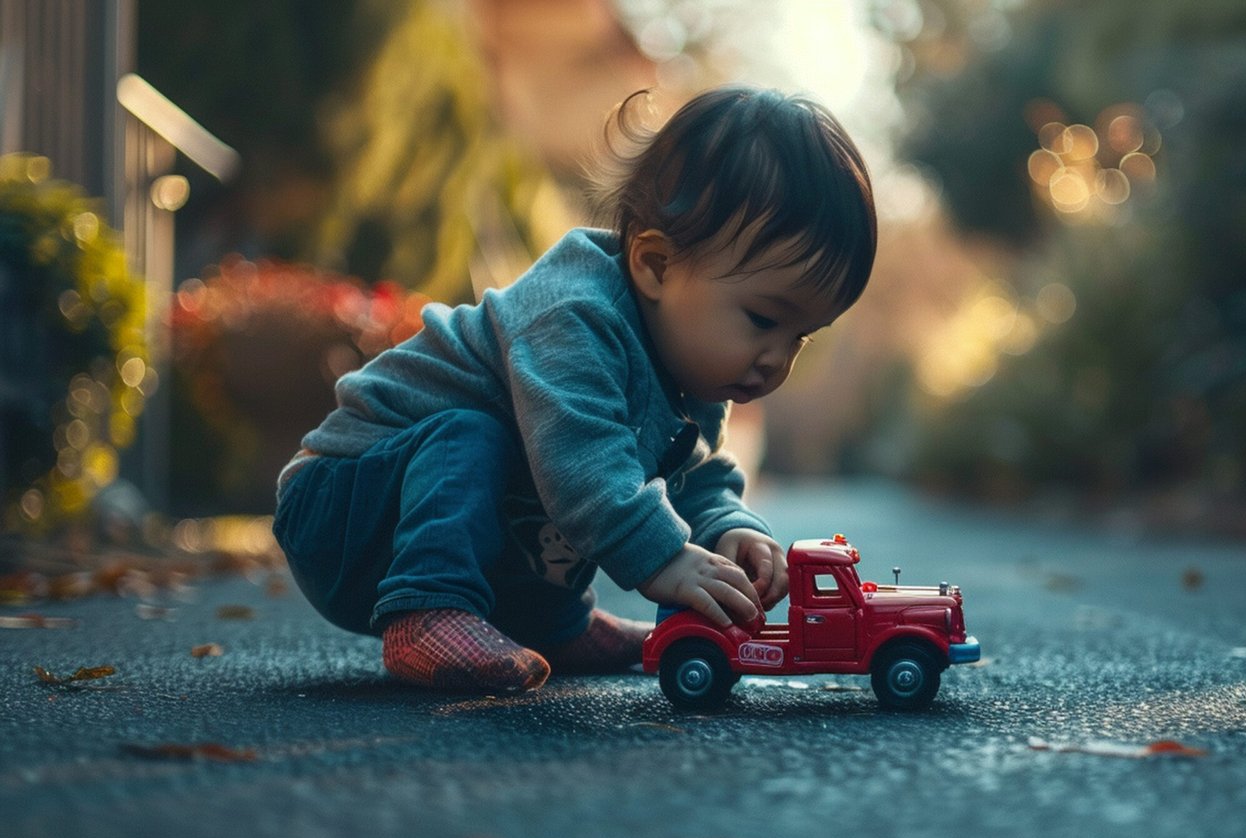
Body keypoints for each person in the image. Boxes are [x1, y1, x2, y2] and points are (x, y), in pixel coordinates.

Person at [271, 85, 877, 693]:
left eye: (803, 337)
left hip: (421, 507)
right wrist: (663, 558)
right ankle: (427, 609)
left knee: (538, 472)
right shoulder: (572, 317)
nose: (778, 360)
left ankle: (552, 625)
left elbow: (693, 472)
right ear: (656, 265)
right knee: (481, 436)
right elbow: (581, 458)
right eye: (764, 321)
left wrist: (728, 527)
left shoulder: (692, 377)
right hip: (344, 508)